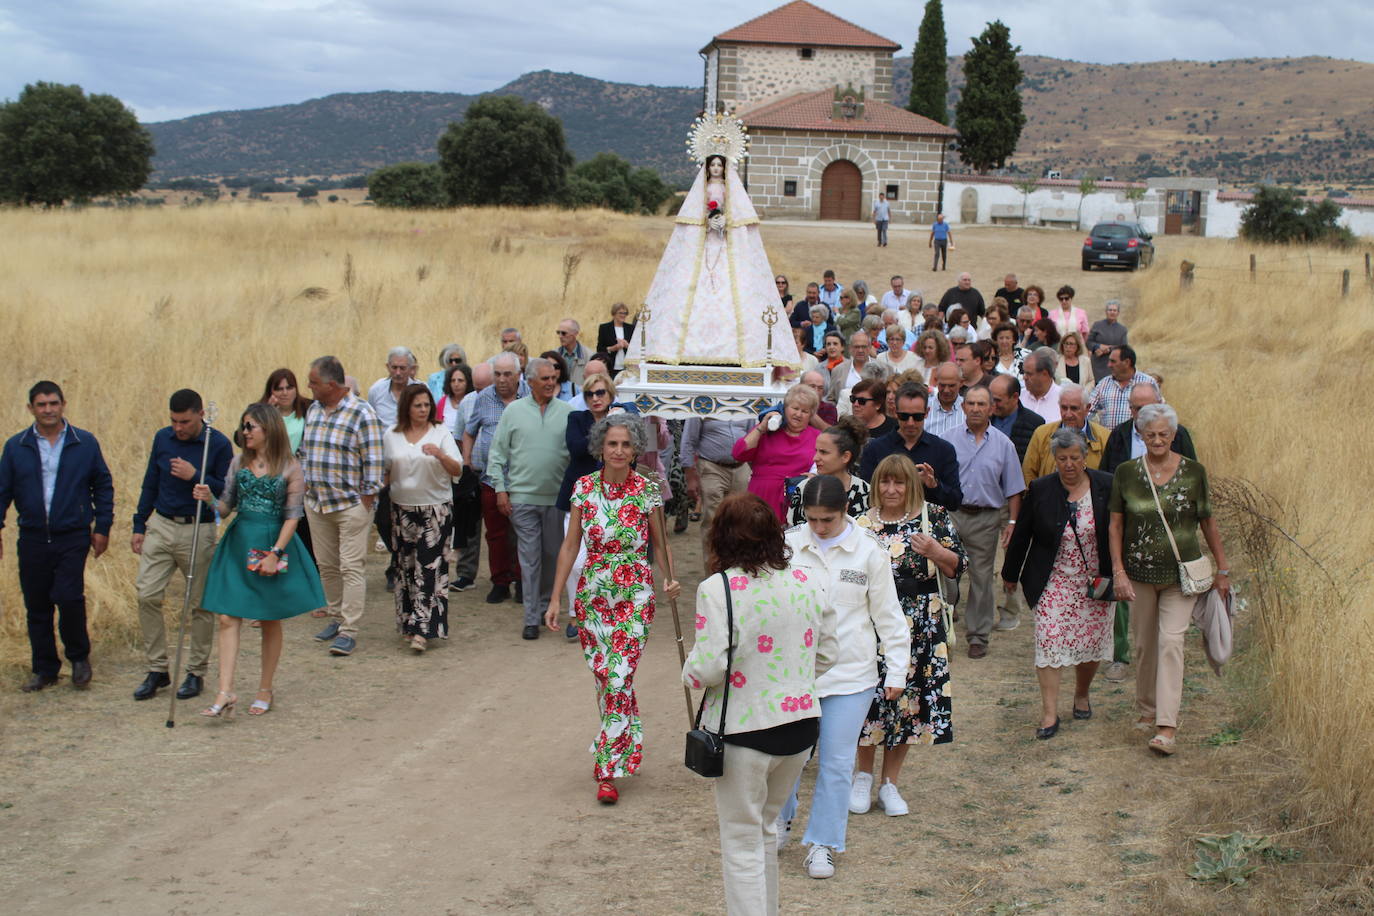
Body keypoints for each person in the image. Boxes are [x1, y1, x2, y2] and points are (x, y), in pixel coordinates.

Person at [682, 492, 837, 915]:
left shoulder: (718, 589)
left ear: (723, 538)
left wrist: (688, 673)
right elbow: (828, 654)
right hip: (801, 726)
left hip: (744, 733)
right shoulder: (808, 579)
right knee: (766, 831)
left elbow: (708, 667)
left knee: (742, 841)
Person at [777, 475, 909, 880]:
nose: (819, 528)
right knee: (787, 759)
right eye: (813, 519)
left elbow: (888, 615)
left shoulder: (869, 552)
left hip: (852, 674)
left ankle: (823, 843)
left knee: (836, 764)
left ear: (845, 512)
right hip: (795, 673)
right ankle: (779, 822)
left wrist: (898, 668)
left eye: (828, 520)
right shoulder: (787, 545)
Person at [544, 415, 680, 802]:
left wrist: (669, 577)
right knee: (606, 678)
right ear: (600, 448)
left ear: (636, 449)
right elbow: (570, 546)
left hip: (635, 593)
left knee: (619, 677)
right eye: (612, 444)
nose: (619, 451)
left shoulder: (647, 490)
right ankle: (617, 744)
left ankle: (609, 768)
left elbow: (660, 542)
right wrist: (557, 598)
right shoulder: (584, 488)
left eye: (626, 444)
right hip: (594, 594)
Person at [1109, 404, 1231, 756]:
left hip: (1181, 575)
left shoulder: (1194, 472)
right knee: (1145, 645)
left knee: (1171, 643)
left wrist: (1222, 569)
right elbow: (1116, 524)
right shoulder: (1127, 473)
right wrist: (1118, 570)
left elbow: (1207, 521)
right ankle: (1147, 709)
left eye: (1164, 434)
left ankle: (1166, 725)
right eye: (1151, 435)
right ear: (1141, 436)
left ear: (1174, 436)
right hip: (1140, 575)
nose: (1158, 440)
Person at [193, 404, 326, 717]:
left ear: (268, 428)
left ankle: (265, 687)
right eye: (244, 426)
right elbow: (226, 508)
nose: (245, 432)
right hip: (239, 542)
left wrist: (276, 553)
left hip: (271, 542)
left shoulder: (290, 467)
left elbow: (293, 516)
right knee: (227, 616)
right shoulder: (238, 462)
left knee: (269, 618)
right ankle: (225, 690)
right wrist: (208, 499)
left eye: (251, 426)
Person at [852, 455, 965, 814]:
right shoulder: (860, 523)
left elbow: (956, 567)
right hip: (870, 623)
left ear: (911, 485)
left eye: (899, 483)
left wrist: (935, 550)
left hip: (920, 621)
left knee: (907, 702)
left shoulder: (934, 516)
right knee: (868, 699)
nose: (891, 490)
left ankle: (890, 784)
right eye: (885, 482)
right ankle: (862, 778)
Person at [636, 152, 801, 370]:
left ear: (725, 168)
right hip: (702, 248)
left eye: (718, 165)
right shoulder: (699, 192)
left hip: (727, 247)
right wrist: (707, 221)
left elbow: (741, 222)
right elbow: (691, 223)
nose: (715, 168)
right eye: (712, 165)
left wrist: (726, 221)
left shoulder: (732, 190)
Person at [0, 381, 113, 692]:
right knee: (37, 604)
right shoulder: (16, 446)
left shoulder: (84, 443)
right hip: (33, 536)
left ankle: (79, 659)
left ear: (63, 404)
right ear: (31, 409)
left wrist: (102, 527)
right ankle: (45, 669)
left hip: (72, 534)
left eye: (53, 403)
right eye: (41, 405)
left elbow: (102, 485)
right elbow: (3, 491)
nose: (48, 410)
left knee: (68, 596)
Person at [1001, 428, 1115, 738]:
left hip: (1094, 580)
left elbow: (1118, 530)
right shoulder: (1041, 488)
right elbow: (1023, 533)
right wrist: (1010, 574)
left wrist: (1121, 570)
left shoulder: (1106, 485)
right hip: (1054, 579)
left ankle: (1081, 693)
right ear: (1055, 459)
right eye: (1062, 458)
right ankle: (1049, 713)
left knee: (1089, 644)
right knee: (1050, 642)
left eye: (1075, 458)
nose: (1069, 464)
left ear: (1085, 457)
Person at [130, 388, 233, 700]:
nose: (178, 427)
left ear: (200, 414)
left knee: (200, 603)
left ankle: (196, 672)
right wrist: (139, 524)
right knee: (146, 593)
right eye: (174, 421)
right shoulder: (163, 438)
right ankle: (157, 668)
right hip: (161, 524)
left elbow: (228, 492)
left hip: (198, 527)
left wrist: (195, 475)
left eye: (185, 421)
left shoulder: (218, 444)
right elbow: (151, 480)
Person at [302, 356, 385, 657]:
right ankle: (336, 618)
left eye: (313, 382)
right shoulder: (313, 410)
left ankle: (349, 630)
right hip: (317, 504)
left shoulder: (363, 413)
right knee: (326, 565)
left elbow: (375, 460)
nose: (308, 387)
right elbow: (306, 452)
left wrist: (367, 498)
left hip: (351, 505)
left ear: (331, 385)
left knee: (351, 567)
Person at [488, 357, 572, 639]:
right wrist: (501, 488)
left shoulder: (567, 412)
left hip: (556, 499)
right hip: (522, 498)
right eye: (545, 379)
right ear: (531, 381)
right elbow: (498, 453)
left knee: (551, 554)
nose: (550, 383)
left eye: (553, 378)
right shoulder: (513, 412)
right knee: (529, 557)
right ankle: (531, 617)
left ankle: (549, 606)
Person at [382, 385, 463, 652]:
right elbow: (385, 471)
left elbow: (457, 468)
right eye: (417, 405)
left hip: (435, 509)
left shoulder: (440, 433)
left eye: (427, 405)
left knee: (429, 567)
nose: (423, 410)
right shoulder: (391, 435)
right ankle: (409, 623)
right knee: (406, 567)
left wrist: (439, 454)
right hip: (402, 509)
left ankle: (423, 630)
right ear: (407, 407)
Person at [948, 385, 1025, 657]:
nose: (976, 409)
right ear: (963, 407)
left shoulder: (1004, 444)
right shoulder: (948, 440)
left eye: (982, 404)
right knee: (946, 573)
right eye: (971, 403)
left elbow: (1014, 488)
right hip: (953, 514)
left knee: (981, 577)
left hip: (986, 518)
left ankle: (978, 636)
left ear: (991, 408)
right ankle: (944, 627)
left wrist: (1012, 523)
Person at [463, 352, 524, 604]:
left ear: (518, 375)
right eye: (497, 374)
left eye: (507, 374)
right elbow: (469, 432)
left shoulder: (530, 396)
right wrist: (466, 463)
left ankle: (523, 582)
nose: (501, 379)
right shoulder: (484, 398)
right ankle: (500, 582)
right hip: (491, 478)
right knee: (496, 534)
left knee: (523, 533)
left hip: (523, 479)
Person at [368, 346, 424, 593]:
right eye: (394, 367)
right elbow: (371, 426)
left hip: (412, 463)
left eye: (403, 368)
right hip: (384, 465)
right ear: (387, 367)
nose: (399, 372)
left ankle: (399, 566)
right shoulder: (377, 391)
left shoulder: (419, 390)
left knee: (408, 516)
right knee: (383, 518)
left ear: (411, 369)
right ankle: (397, 557)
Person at [858, 382, 963, 510]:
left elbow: (955, 502)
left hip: (928, 526)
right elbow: (866, 497)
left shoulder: (943, 450)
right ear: (895, 412)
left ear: (927, 412)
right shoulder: (875, 448)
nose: (910, 422)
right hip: (884, 524)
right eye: (904, 416)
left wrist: (933, 484)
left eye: (917, 416)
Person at [732, 384, 822, 522]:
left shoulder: (818, 436)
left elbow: (827, 464)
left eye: (805, 411)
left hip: (795, 498)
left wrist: (816, 475)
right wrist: (761, 427)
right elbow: (738, 453)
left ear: (811, 415)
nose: (798, 414)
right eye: (795, 408)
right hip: (761, 496)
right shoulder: (767, 431)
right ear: (784, 409)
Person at [682, 414, 755, 566]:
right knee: (713, 519)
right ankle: (714, 571)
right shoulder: (702, 402)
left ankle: (736, 569)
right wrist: (690, 477)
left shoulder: (743, 402)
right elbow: (689, 440)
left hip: (742, 468)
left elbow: (751, 436)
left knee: (741, 519)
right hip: (711, 467)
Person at [786, 416, 871, 525]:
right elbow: (793, 532)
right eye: (816, 451)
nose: (815, 458)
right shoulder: (804, 488)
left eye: (824, 452)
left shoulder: (866, 492)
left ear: (845, 456)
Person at [1102, 382, 1197, 474]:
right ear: (1130, 408)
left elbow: (1192, 473)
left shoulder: (1177, 433)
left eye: (1149, 408)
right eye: (1139, 409)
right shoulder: (1119, 433)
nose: (1144, 413)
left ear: (1160, 404)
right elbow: (1106, 475)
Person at [1022, 383, 1110, 483]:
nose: (1068, 414)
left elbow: (1110, 477)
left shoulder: (1105, 437)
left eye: (1074, 408)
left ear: (1087, 408)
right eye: (1064, 408)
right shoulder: (1041, 434)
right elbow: (1028, 473)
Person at [447, 362, 484, 592]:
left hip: (501, 473)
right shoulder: (468, 402)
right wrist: (467, 461)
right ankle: (465, 575)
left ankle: (509, 577)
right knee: (469, 525)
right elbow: (460, 436)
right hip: (472, 471)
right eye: (479, 388)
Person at [1088, 345, 1159, 429]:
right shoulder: (1103, 384)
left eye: (1113, 361)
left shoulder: (1148, 382)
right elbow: (1088, 410)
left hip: (1138, 439)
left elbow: (1158, 411)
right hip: (1109, 440)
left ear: (1127, 362)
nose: (1109, 365)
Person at [988, 374, 1045, 465]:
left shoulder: (1034, 424)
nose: (993, 404)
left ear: (1015, 397)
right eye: (990, 399)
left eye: (998, 400)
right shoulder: (984, 419)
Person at [260, 368, 313, 452]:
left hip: (298, 463)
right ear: (270, 392)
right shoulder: (259, 411)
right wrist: (266, 414)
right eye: (279, 389)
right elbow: (239, 438)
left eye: (289, 388)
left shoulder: (309, 407)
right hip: (269, 464)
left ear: (296, 390)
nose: (285, 393)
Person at [825, 332, 874, 404]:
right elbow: (831, 398)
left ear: (870, 348)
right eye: (856, 347)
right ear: (850, 348)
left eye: (864, 347)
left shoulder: (883, 369)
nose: (860, 350)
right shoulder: (838, 370)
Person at [1086, 300, 1128, 383]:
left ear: (1118, 313)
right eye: (1110, 310)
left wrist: (1108, 349)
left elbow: (1124, 347)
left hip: (1115, 365)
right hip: (1097, 364)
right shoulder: (1097, 325)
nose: (1112, 312)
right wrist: (1097, 347)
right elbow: (1088, 342)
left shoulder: (1122, 330)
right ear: (1106, 312)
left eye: (1114, 310)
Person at [1019, 347, 1062, 422]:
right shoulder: (1019, 397)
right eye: (1024, 372)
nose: (1024, 377)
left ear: (1044, 374)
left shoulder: (1063, 399)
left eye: (1029, 374)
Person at [923, 363, 964, 441]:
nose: (946, 390)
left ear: (961, 383)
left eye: (951, 386)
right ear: (936, 381)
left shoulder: (970, 409)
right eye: (942, 385)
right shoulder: (923, 407)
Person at [596, 303, 636, 378]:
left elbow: (636, 348)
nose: (623, 315)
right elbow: (599, 349)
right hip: (610, 367)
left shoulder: (631, 328)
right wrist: (613, 348)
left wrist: (627, 345)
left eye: (625, 313)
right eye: (620, 313)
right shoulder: (604, 328)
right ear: (614, 314)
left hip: (627, 367)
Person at [555, 318, 591, 387]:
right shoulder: (553, 356)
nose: (560, 336)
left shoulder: (589, 356)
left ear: (575, 334)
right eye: (558, 333)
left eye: (563, 333)